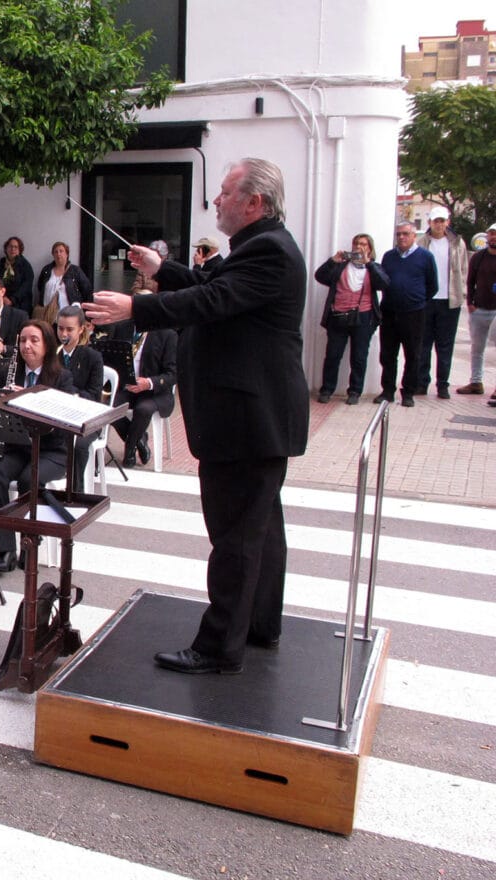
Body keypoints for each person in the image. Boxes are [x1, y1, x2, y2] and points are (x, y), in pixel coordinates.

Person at [85, 157, 309, 675]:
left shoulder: (269, 253)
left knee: (235, 539)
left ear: (254, 202)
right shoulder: (259, 247)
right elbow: (211, 283)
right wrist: (161, 271)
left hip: (247, 422)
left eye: (226, 193)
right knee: (259, 533)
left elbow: (212, 299)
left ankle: (218, 648)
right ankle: (259, 626)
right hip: (252, 419)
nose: (217, 201)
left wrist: (135, 307)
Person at [0, 321, 76, 572]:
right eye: (23, 340)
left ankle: (29, 541)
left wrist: (29, 398)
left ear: (47, 345)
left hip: (51, 450)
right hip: (17, 445)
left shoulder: (61, 378)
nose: (27, 346)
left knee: (28, 478)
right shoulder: (10, 372)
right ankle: (6, 549)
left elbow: (63, 420)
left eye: (34, 340)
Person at [314, 234, 389, 405]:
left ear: (369, 248)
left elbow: (384, 283)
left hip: (363, 316)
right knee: (333, 355)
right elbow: (320, 276)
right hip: (339, 315)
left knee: (359, 356)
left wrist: (368, 263)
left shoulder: (373, 267)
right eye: (356, 243)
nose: (359, 247)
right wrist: (332, 261)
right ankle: (327, 389)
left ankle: (355, 391)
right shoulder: (341, 266)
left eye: (363, 244)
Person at [376, 222, 437, 408]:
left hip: (413, 313)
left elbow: (432, 286)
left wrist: (416, 300)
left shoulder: (425, 257)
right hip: (389, 312)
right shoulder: (389, 256)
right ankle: (387, 391)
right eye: (398, 234)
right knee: (387, 354)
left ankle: (408, 392)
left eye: (405, 234)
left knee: (413, 354)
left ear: (413, 236)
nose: (401, 237)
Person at [108, 317, 178, 471]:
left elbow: (173, 374)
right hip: (128, 388)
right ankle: (139, 439)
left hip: (155, 392)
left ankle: (130, 449)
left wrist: (148, 383)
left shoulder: (167, 334)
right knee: (107, 407)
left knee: (143, 409)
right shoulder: (122, 328)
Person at [416, 206, 469, 399]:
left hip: (449, 301)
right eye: (435, 221)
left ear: (448, 222)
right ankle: (422, 382)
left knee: (445, 346)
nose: (439, 224)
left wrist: (462, 293)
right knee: (423, 344)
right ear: (429, 222)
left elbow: (463, 269)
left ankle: (443, 385)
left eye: (442, 221)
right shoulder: (422, 243)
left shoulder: (457, 244)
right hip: (427, 300)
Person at [53, 305, 106, 490]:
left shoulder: (93, 357)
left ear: (82, 329)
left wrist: (69, 391)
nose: (64, 334)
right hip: (56, 415)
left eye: (69, 329)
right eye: (60, 328)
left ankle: (76, 492)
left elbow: (93, 395)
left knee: (78, 445)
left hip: (86, 418)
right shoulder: (52, 354)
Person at [457, 222, 496, 404]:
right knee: (477, 348)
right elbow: (470, 281)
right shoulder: (479, 257)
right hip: (479, 309)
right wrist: (470, 303)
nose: (493, 237)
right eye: (491, 234)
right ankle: (475, 382)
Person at [33, 241, 92, 324]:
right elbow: (40, 287)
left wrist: (87, 316)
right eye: (55, 252)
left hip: (69, 315)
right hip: (48, 315)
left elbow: (87, 290)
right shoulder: (47, 270)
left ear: (67, 254)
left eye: (61, 251)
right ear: (53, 255)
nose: (58, 254)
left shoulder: (75, 271)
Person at [0, 237, 35, 315]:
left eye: (16, 247)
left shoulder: (25, 265)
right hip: (2, 302)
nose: (13, 249)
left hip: (20, 305)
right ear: (6, 248)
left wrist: (12, 300)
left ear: (20, 250)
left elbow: (26, 286)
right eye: (10, 246)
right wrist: (2, 297)